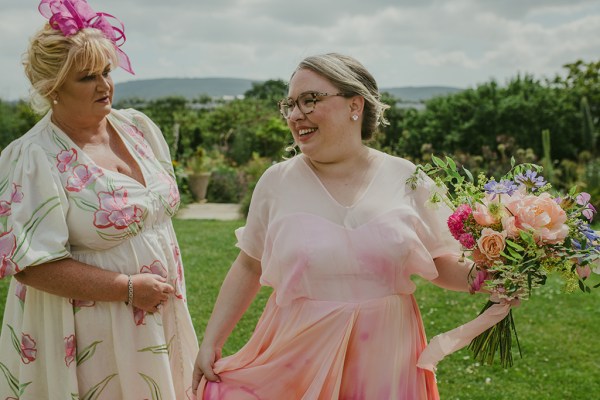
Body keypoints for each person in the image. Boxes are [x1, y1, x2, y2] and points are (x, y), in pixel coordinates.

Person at [192, 53, 475, 399]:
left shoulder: (407, 178)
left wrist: (496, 277)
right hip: (298, 354)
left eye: (310, 100)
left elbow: (442, 262)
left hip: (386, 353)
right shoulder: (276, 182)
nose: (296, 115)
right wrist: (211, 341)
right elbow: (249, 265)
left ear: (355, 105)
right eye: (290, 105)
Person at [0, 0, 197, 398]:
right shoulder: (35, 156)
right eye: (87, 77)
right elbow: (31, 265)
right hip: (93, 327)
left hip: (158, 315)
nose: (104, 85)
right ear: (52, 89)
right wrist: (127, 287)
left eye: (107, 71)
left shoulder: (138, 126)